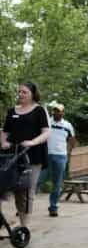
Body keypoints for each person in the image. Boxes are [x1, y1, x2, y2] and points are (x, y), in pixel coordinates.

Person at [0, 82, 50, 228]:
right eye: (19, 92)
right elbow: (5, 131)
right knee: (5, 187)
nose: (20, 94)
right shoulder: (12, 111)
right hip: (12, 155)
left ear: (32, 94)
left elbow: (46, 132)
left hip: (32, 156)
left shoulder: (39, 110)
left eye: (24, 92)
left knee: (26, 191)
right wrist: (3, 142)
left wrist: (33, 142)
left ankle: (24, 226)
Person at [37, 103, 75, 217]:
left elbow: (72, 140)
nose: (56, 113)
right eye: (54, 111)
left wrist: (67, 153)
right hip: (46, 156)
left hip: (61, 156)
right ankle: (24, 207)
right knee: (37, 181)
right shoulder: (47, 122)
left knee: (57, 184)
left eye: (58, 111)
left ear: (63, 112)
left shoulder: (68, 125)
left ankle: (53, 208)